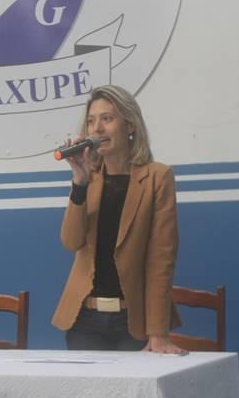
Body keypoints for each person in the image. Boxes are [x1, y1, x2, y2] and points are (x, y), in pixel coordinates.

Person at [52, 85, 186, 354]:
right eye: (91, 121)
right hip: (85, 320)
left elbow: (161, 259)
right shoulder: (88, 176)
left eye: (107, 118)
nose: (98, 128)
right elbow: (71, 242)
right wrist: (79, 184)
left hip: (133, 321)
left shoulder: (157, 177)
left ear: (130, 125)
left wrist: (158, 333)